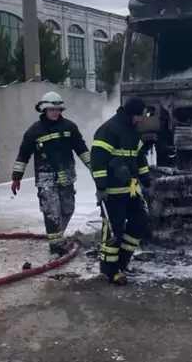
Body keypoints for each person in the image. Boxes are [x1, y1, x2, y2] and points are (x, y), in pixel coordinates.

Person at [10, 91, 91, 254]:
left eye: (58, 110)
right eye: (52, 110)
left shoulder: (69, 127)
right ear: (44, 110)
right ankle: (55, 246)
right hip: (45, 179)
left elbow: (82, 149)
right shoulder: (34, 131)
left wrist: (93, 167)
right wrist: (16, 178)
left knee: (68, 209)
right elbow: (23, 155)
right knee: (51, 211)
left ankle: (58, 237)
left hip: (66, 177)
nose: (55, 112)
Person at [91, 96, 152, 285]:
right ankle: (110, 271)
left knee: (140, 221)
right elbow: (98, 159)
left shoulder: (133, 132)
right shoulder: (109, 130)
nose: (142, 120)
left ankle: (123, 262)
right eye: (140, 116)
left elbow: (139, 158)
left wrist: (146, 180)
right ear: (131, 113)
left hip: (130, 190)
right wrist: (101, 187)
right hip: (111, 192)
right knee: (113, 230)